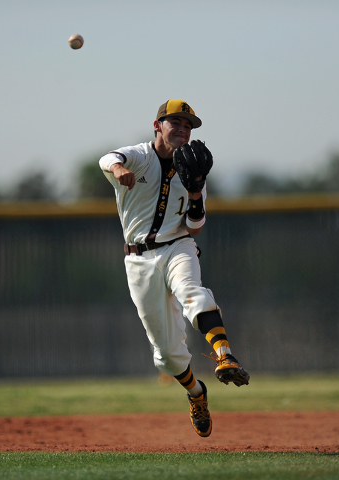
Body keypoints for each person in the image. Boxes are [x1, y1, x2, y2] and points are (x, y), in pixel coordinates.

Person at [99, 99, 250, 437]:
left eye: (188, 125)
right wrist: (117, 169)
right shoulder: (139, 155)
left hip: (178, 246)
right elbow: (107, 158)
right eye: (175, 123)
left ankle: (225, 356)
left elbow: (195, 227)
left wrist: (196, 190)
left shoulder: (193, 169)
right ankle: (197, 393)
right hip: (138, 259)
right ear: (158, 126)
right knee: (166, 355)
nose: (182, 130)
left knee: (192, 292)